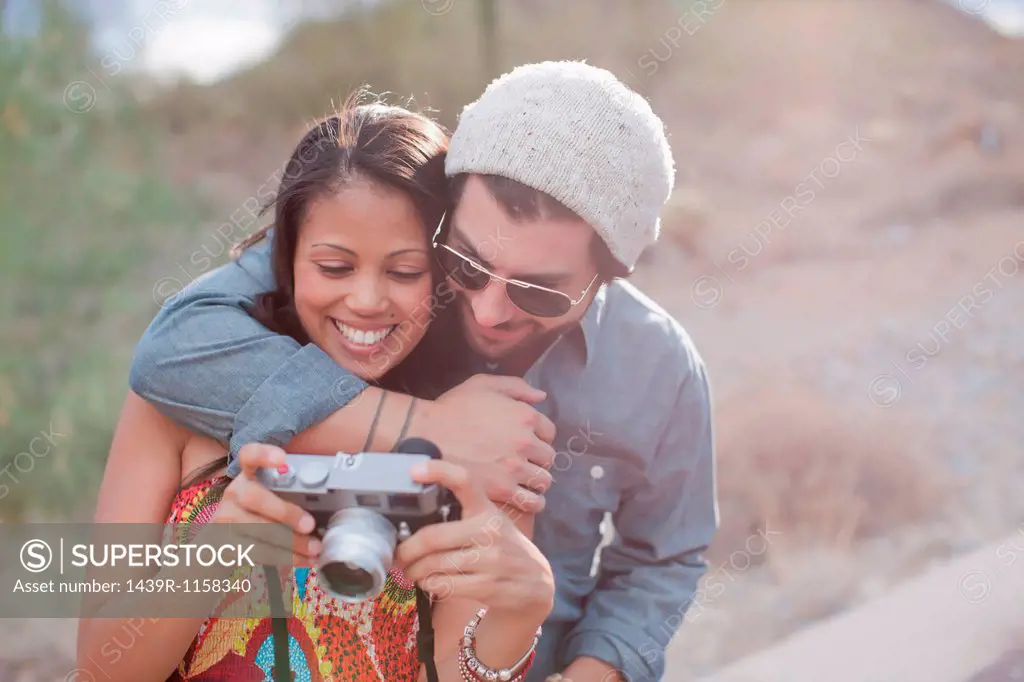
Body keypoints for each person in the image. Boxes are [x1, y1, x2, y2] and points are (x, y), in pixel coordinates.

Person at [129, 61, 718, 682]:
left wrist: (595, 672)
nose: (488, 311)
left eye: (539, 292)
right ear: (446, 208)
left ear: (608, 277)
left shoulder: (662, 370)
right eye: (466, 261)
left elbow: (663, 558)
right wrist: (429, 424)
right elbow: (178, 345)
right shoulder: (388, 275)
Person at [76, 95, 555, 682]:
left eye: (404, 272)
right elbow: (102, 666)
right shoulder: (180, 402)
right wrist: (218, 550)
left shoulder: (479, 438)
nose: (366, 301)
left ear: (445, 272)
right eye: (333, 267)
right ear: (288, 259)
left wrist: (522, 610)